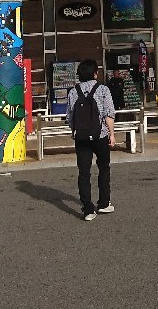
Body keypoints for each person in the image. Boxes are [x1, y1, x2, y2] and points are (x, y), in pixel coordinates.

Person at [65, 59, 116, 221]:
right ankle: (103, 203)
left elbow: (70, 117)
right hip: (100, 135)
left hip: (81, 137)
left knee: (84, 172)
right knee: (103, 168)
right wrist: (112, 134)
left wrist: (75, 132)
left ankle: (88, 210)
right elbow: (108, 114)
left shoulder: (74, 92)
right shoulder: (102, 90)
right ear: (95, 74)